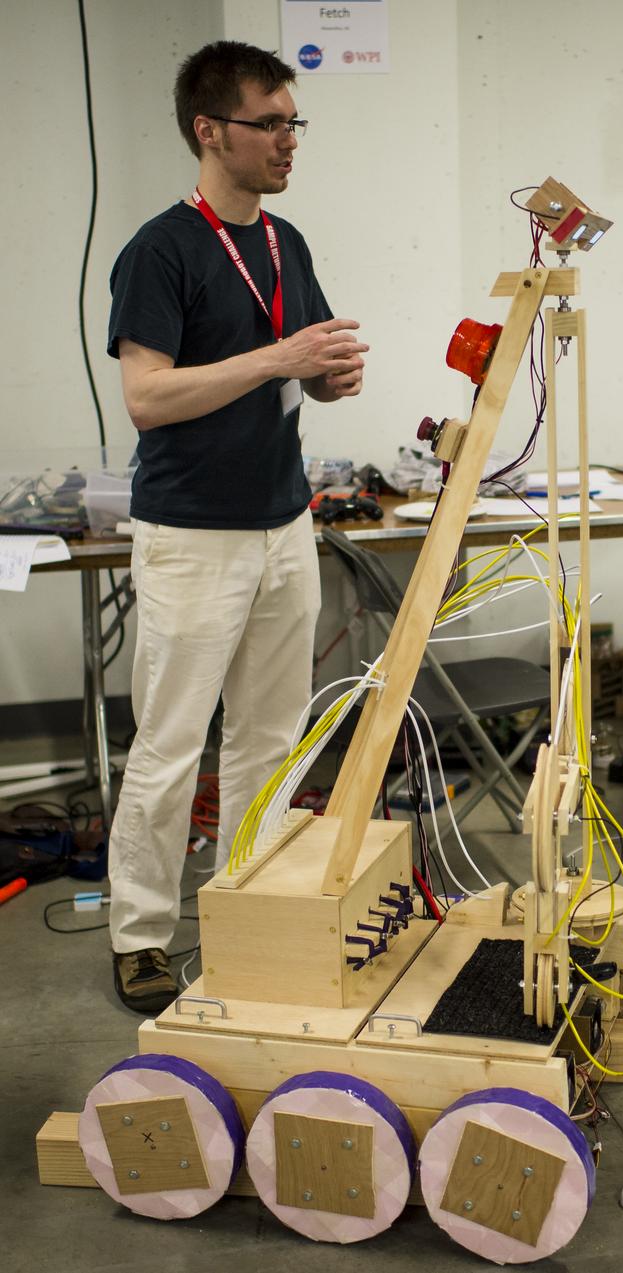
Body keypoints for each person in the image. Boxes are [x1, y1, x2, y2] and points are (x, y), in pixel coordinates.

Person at [106, 41, 369, 1014]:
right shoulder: (161, 249)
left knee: (270, 739)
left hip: (282, 523)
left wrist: (328, 375)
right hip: (191, 534)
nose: (288, 140)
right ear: (210, 131)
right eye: (269, 123)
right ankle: (140, 934)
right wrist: (276, 360)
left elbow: (304, 365)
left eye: (294, 122)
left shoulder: (285, 242)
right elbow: (147, 396)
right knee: (171, 743)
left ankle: (244, 909)